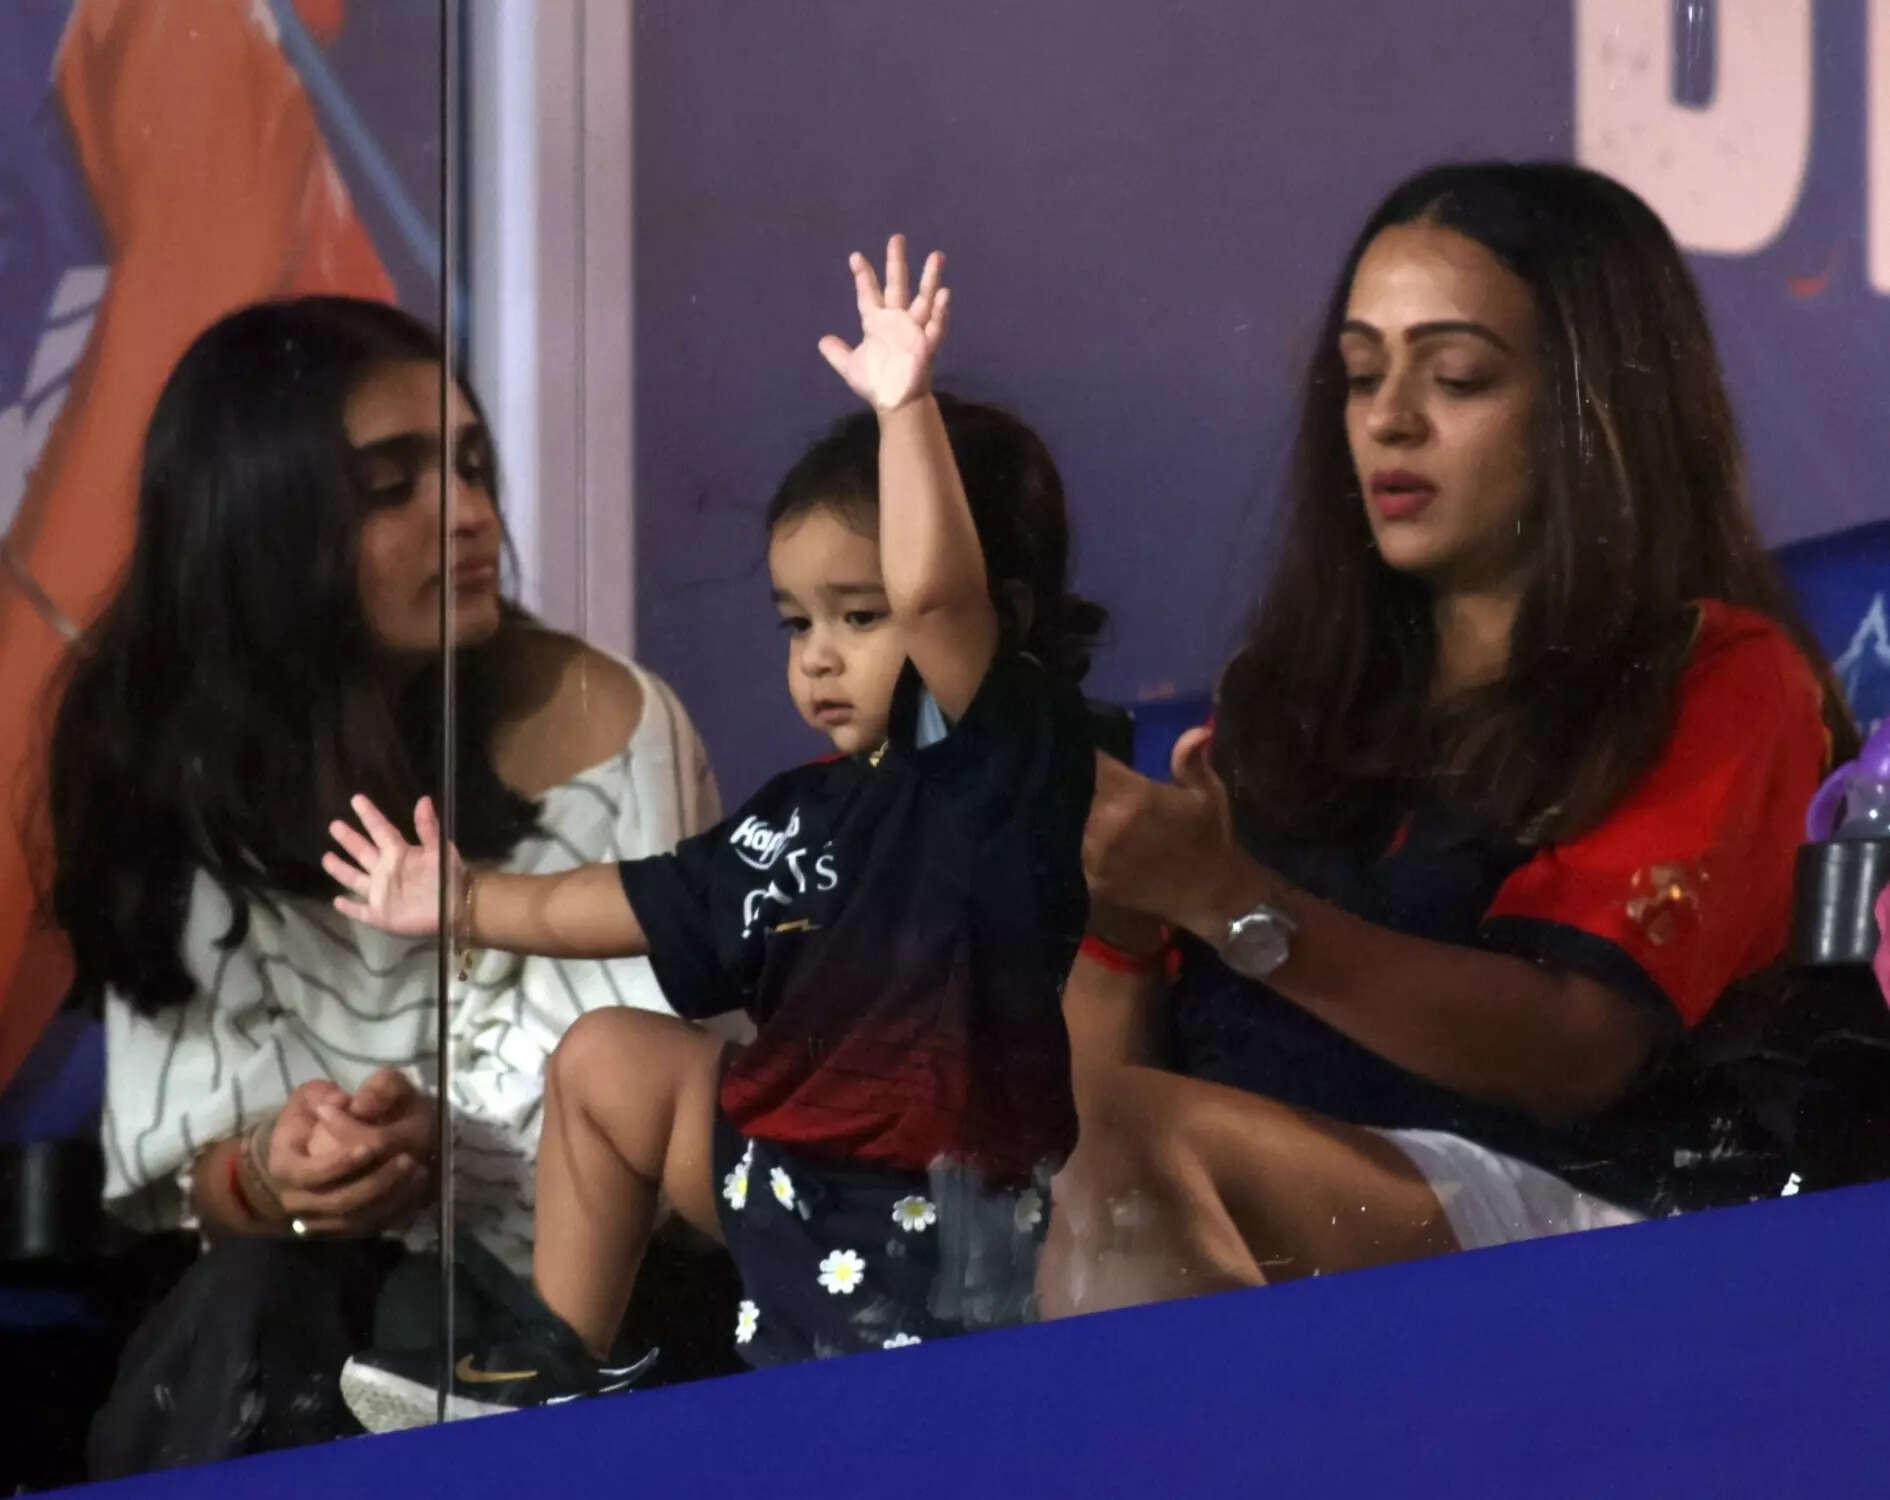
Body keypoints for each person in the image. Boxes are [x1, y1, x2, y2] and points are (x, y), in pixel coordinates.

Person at [1041, 161, 1854, 1316]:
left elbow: (1579, 1048)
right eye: (1363, 373)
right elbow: (1097, 1140)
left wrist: (1230, 901)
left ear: (1598, 404)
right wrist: (1124, 923)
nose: (1390, 418)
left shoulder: (1719, 675)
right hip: (1300, 1224)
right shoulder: (1280, 694)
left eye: (1457, 376)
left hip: (1601, 1236)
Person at [329, 237, 1109, 1430]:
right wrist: (468, 903)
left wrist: (904, 412)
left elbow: (940, 598)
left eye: (860, 616)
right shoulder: (800, 810)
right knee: (606, 1056)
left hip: (937, 1219)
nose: (820, 657)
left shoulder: (998, 763)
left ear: (992, 619)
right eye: (798, 623)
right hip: (780, 1182)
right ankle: (549, 1380)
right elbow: (637, 898)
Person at [44, 296, 722, 1474]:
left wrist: (445, 1152)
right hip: (299, 1318)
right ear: (261, 525)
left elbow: (654, 1151)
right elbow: (193, 1175)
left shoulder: (613, 723)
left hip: (591, 1331)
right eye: (392, 485)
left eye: (471, 465)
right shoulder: (167, 758)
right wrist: (285, 1169)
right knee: (254, 1305)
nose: (469, 514)